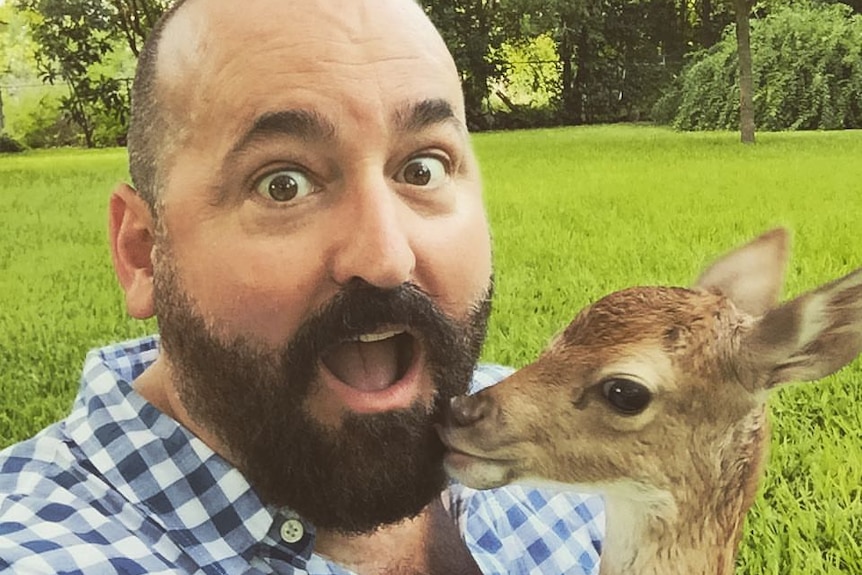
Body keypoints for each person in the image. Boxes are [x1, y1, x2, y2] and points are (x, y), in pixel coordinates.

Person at [0, 0, 604, 573]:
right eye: (282, 184)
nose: (386, 257)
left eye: (422, 169)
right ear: (142, 255)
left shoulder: (581, 435)